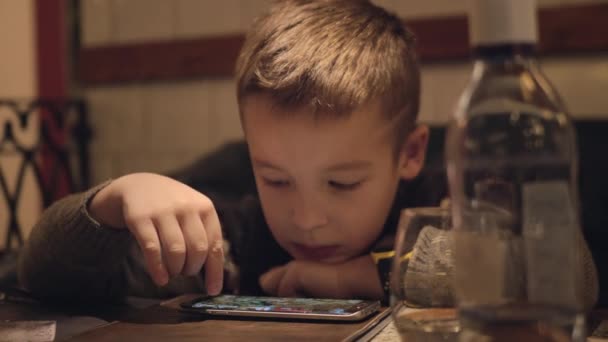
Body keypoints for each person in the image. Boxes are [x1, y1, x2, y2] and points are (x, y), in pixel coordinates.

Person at [18, 0, 598, 308]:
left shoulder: (452, 196)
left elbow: (566, 274)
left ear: (411, 152)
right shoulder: (238, 236)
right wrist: (113, 200)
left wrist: (359, 276)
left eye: (342, 184)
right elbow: (40, 276)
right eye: (276, 178)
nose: (308, 217)